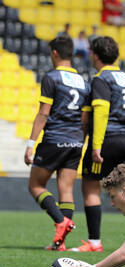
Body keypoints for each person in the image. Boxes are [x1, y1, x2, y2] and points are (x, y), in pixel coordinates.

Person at [68, 36, 125, 252]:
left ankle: (94, 242)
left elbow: (100, 112)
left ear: (95, 55)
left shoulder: (101, 79)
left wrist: (95, 146)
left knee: (90, 187)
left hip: (108, 139)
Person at [24, 36, 90, 251]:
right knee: (66, 189)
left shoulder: (51, 78)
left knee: (35, 185)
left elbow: (44, 113)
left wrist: (30, 143)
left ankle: (60, 222)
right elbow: (85, 118)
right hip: (76, 140)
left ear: (54, 53)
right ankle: (60, 242)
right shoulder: (84, 82)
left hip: (55, 138)